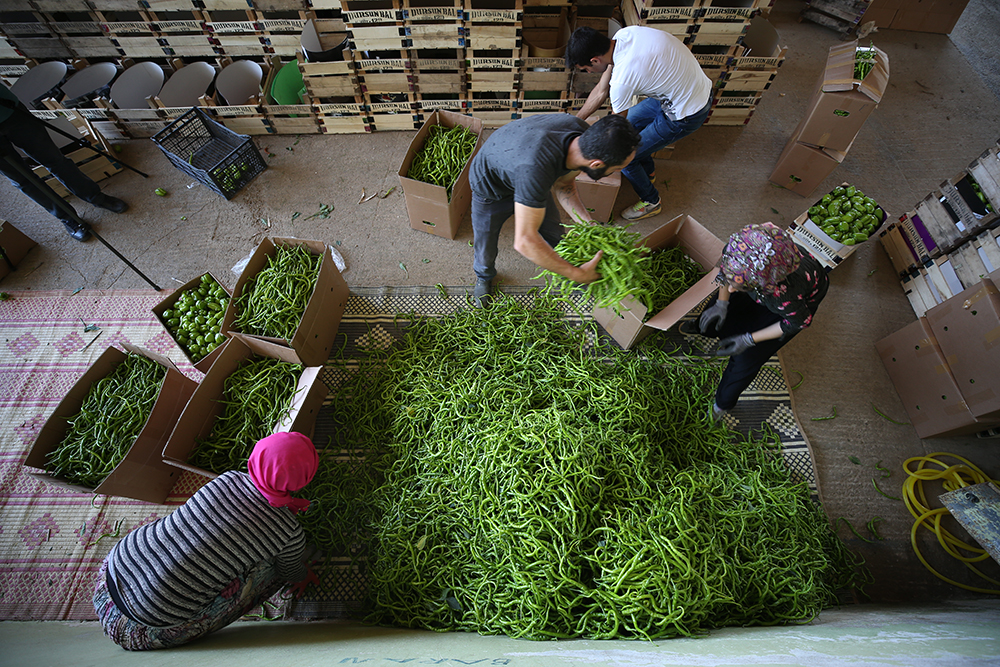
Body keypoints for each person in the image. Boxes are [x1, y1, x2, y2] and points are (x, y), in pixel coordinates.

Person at [93, 431, 322, 650]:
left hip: (112, 573)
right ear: (301, 483)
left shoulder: (228, 478)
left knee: (185, 527)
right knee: (270, 570)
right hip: (146, 628)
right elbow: (289, 570)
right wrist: (303, 575)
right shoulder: (288, 531)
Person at [469, 113, 641, 307]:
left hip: (526, 175)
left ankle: (567, 267)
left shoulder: (583, 138)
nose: (616, 172)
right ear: (597, 165)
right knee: (485, 244)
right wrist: (577, 274)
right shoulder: (535, 168)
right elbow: (525, 241)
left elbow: (565, 186)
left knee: (554, 232)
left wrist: (590, 225)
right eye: (618, 168)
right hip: (491, 189)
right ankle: (484, 276)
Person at [681, 223, 829, 421]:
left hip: (789, 307)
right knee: (719, 309)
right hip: (755, 281)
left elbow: (797, 323)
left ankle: (722, 404)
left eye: (738, 285)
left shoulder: (782, 295)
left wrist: (750, 339)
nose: (730, 288)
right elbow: (726, 275)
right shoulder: (739, 250)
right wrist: (722, 304)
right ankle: (704, 329)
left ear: (761, 286)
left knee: (746, 359)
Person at [566, 26, 712, 223]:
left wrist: (592, 158)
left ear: (594, 60)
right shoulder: (623, 35)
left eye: (587, 69)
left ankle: (651, 201)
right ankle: (648, 172)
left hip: (687, 111)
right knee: (635, 127)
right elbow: (601, 91)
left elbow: (617, 137)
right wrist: (574, 121)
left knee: (625, 158)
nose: (590, 72)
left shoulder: (623, 80)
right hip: (679, 90)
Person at [0, 83, 128, 242]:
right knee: (22, 179)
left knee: (53, 158)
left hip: (7, 110)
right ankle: (68, 218)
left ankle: (94, 196)